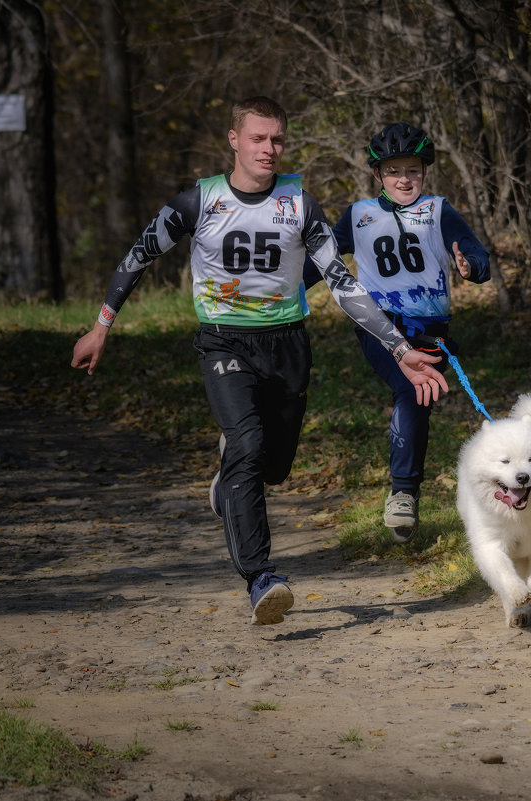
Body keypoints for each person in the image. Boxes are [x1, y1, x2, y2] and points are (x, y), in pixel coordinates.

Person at [71, 97, 449, 625]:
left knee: (272, 468)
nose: (268, 149)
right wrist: (101, 326)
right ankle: (261, 577)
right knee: (248, 447)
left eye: (276, 140)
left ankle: (230, 478)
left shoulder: (300, 204)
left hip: (288, 344)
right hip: (224, 343)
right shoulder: (196, 202)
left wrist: (400, 348)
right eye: (257, 138)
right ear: (234, 139)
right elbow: (138, 254)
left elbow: (341, 284)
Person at [307, 122, 490, 542]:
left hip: (431, 329)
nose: (404, 179)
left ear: (424, 171)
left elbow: (477, 255)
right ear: (378, 175)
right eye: (393, 171)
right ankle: (403, 493)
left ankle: (405, 493)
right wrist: (282, 293)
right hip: (380, 325)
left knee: (418, 398)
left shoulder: (438, 210)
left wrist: (471, 267)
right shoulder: (358, 215)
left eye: (412, 170)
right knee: (411, 388)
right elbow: (320, 262)